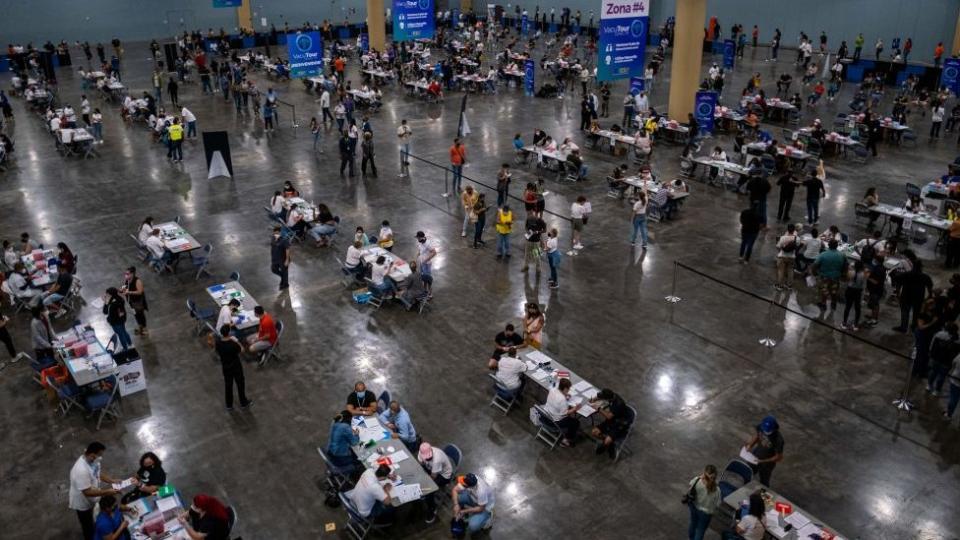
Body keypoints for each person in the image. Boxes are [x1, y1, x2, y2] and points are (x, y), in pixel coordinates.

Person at [69, 442, 125, 540]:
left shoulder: (93, 461)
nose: (101, 457)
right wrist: (108, 491)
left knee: (93, 517)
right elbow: (87, 492)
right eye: (99, 455)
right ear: (91, 455)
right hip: (83, 502)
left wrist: (112, 480)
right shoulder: (81, 470)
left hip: (92, 495)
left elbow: (97, 473)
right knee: (87, 524)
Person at [215, 324, 252, 410]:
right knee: (240, 384)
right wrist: (237, 342)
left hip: (225, 366)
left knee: (228, 385)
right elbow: (242, 350)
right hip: (235, 366)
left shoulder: (218, 343)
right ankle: (243, 402)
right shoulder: (233, 344)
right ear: (229, 333)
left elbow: (217, 351)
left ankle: (229, 405)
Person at [588, 388, 630, 459]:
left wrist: (598, 408)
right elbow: (599, 397)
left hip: (619, 423)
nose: (601, 398)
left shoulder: (618, 404)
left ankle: (609, 444)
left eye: (603, 398)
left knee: (607, 441)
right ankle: (609, 443)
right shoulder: (611, 396)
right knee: (594, 432)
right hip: (611, 421)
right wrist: (594, 400)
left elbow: (609, 416)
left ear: (608, 399)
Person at [418, 442, 454, 523]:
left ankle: (432, 508)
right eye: (426, 458)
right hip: (432, 470)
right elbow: (421, 465)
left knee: (429, 491)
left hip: (443, 475)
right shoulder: (421, 452)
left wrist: (424, 485)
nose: (427, 458)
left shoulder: (437, 460)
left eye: (429, 457)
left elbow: (433, 477)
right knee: (421, 478)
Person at [744, 415, 784, 486]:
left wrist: (763, 461)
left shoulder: (778, 440)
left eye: (768, 431)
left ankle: (761, 496)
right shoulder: (761, 427)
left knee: (764, 482)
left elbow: (778, 457)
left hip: (767, 464)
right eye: (764, 430)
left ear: (774, 428)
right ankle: (744, 489)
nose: (765, 432)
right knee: (747, 473)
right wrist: (750, 445)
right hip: (756, 456)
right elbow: (757, 436)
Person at [543, 377, 582, 447]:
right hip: (554, 421)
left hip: (546, 415)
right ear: (565, 389)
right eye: (568, 389)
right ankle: (566, 441)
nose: (569, 390)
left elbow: (556, 396)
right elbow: (566, 413)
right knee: (575, 422)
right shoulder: (562, 400)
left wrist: (565, 394)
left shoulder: (552, 389)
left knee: (570, 417)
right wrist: (575, 408)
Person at [686, 464, 721, 540]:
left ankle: (691, 538)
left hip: (694, 506)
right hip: (706, 513)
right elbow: (718, 504)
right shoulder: (717, 490)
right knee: (700, 530)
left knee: (693, 523)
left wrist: (700, 477)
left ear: (704, 473)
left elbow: (690, 488)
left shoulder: (697, 480)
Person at [811, 239, 847, 311]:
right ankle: (833, 303)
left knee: (824, 291)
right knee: (834, 291)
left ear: (829, 245)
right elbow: (845, 266)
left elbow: (814, 265)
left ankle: (823, 304)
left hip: (824, 277)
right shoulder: (842, 255)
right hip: (836, 277)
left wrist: (815, 273)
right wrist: (843, 275)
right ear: (837, 246)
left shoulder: (823, 254)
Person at [928, 322, 960, 396]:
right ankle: (937, 390)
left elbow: (932, 344)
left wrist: (930, 353)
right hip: (947, 361)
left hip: (936, 358)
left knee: (933, 372)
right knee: (941, 376)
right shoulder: (957, 339)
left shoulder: (939, 334)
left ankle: (929, 385)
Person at [120, 266, 148, 336]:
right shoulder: (127, 279)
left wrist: (129, 292)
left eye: (128, 273)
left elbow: (140, 292)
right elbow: (125, 286)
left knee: (140, 315)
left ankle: (144, 329)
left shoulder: (137, 281)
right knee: (136, 315)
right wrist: (122, 289)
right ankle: (140, 328)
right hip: (131, 302)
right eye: (126, 273)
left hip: (138, 302)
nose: (126, 275)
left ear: (133, 274)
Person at [775, 224, 799, 291]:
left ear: (787, 230)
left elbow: (778, 246)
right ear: (794, 230)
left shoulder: (783, 237)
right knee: (790, 271)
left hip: (782, 257)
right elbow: (797, 247)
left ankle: (779, 286)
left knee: (781, 271)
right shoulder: (797, 238)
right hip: (792, 257)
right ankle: (789, 286)